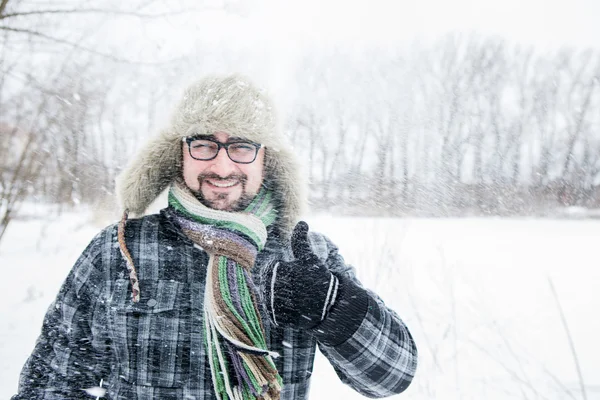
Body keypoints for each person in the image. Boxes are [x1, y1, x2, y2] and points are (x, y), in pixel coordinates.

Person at [13, 74, 418, 400]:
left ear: (266, 159)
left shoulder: (304, 254)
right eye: (204, 144)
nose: (222, 166)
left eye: (242, 147)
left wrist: (332, 305)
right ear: (180, 153)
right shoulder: (120, 250)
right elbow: (50, 383)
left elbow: (390, 376)